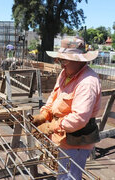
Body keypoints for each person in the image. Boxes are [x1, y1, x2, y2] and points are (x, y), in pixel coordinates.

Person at [32, 37, 101, 180]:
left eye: (64, 60)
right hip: (64, 137)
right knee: (63, 174)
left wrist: (51, 126)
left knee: (69, 177)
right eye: (60, 60)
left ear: (79, 60)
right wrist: (44, 114)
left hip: (77, 141)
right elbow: (54, 96)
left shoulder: (87, 82)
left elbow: (79, 118)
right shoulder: (66, 74)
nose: (61, 64)